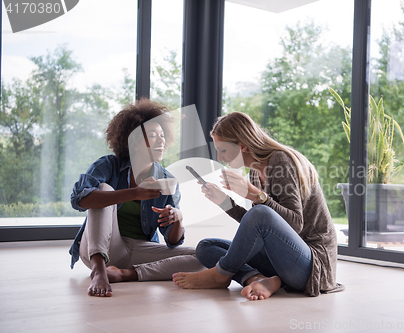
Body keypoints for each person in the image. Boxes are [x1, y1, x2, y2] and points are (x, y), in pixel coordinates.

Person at [172, 112, 344, 300]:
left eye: (223, 150)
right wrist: (224, 202)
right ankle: (260, 279)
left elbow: (294, 224)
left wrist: (255, 194)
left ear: (242, 146)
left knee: (260, 213)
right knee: (206, 247)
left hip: (312, 265)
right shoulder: (254, 172)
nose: (220, 158)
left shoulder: (280, 161)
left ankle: (221, 274)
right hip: (281, 259)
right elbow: (258, 226)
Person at [69, 99, 205, 297]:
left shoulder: (167, 179)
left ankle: (126, 274)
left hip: (139, 251)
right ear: (134, 141)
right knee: (105, 191)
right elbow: (80, 199)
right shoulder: (108, 165)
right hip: (99, 248)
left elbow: (173, 241)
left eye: (162, 135)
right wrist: (134, 193)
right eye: (153, 136)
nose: (161, 141)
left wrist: (177, 218)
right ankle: (99, 270)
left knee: (202, 255)